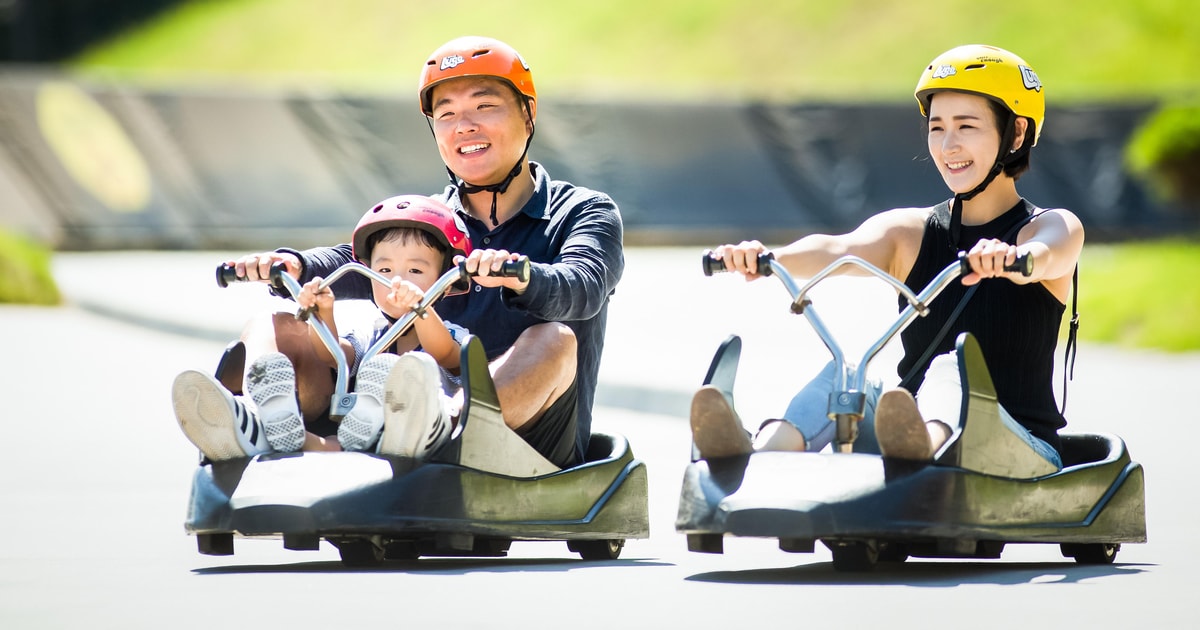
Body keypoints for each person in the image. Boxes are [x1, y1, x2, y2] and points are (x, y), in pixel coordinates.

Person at [193, 36, 623, 469]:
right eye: (447, 113)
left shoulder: (583, 211)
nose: (464, 126)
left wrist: (522, 275)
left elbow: (583, 286)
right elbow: (358, 264)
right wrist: (297, 266)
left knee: (554, 338)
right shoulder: (431, 219)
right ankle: (263, 423)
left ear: (528, 114)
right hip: (400, 414)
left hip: (531, 433)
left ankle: (443, 425)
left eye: (484, 106)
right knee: (277, 325)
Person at [692, 44, 1083, 470]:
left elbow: (1046, 256)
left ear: (1017, 134)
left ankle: (920, 449)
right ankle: (752, 454)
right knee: (849, 376)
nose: (948, 145)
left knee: (949, 369)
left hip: (1023, 448)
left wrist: (1013, 258)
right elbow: (839, 249)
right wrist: (768, 257)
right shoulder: (911, 233)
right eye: (937, 128)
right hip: (913, 435)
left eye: (966, 126)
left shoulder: (1050, 227)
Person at [171, 195, 471, 460]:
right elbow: (334, 357)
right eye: (384, 270)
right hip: (356, 438)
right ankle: (271, 419)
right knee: (331, 428)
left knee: (411, 368)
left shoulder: (448, 331)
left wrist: (421, 309)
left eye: (415, 270)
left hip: (419, 436)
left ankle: (289, 433)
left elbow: (444, 352)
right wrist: (322, 313)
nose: (395, 280)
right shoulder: (374, 331)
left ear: (445, 284)